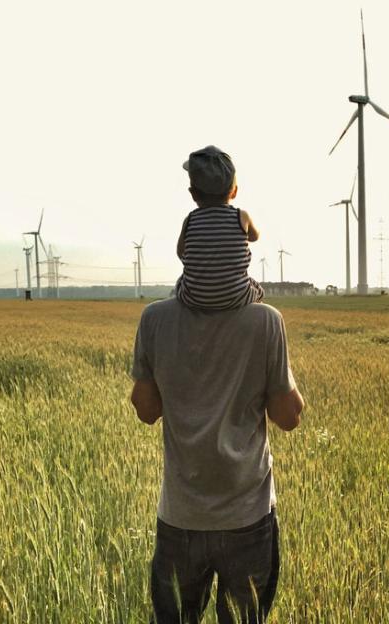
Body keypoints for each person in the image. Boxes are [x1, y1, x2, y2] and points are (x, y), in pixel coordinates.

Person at [131, 157, 305, 623]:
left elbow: (146, 411)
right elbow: (288, 417)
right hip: (247, 517)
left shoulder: (155, 319)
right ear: (234, 193)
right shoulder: (266, 322)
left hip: (181, 516)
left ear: (192, 198)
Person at [175, 146, 265, 311]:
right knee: (257, 288)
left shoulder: (190, 220)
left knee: (179, 283)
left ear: (193, 193)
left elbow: (181, 252)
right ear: (234, 192)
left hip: (193, 297)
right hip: (237, 296)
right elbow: (255, 236)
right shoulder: (241, 216)